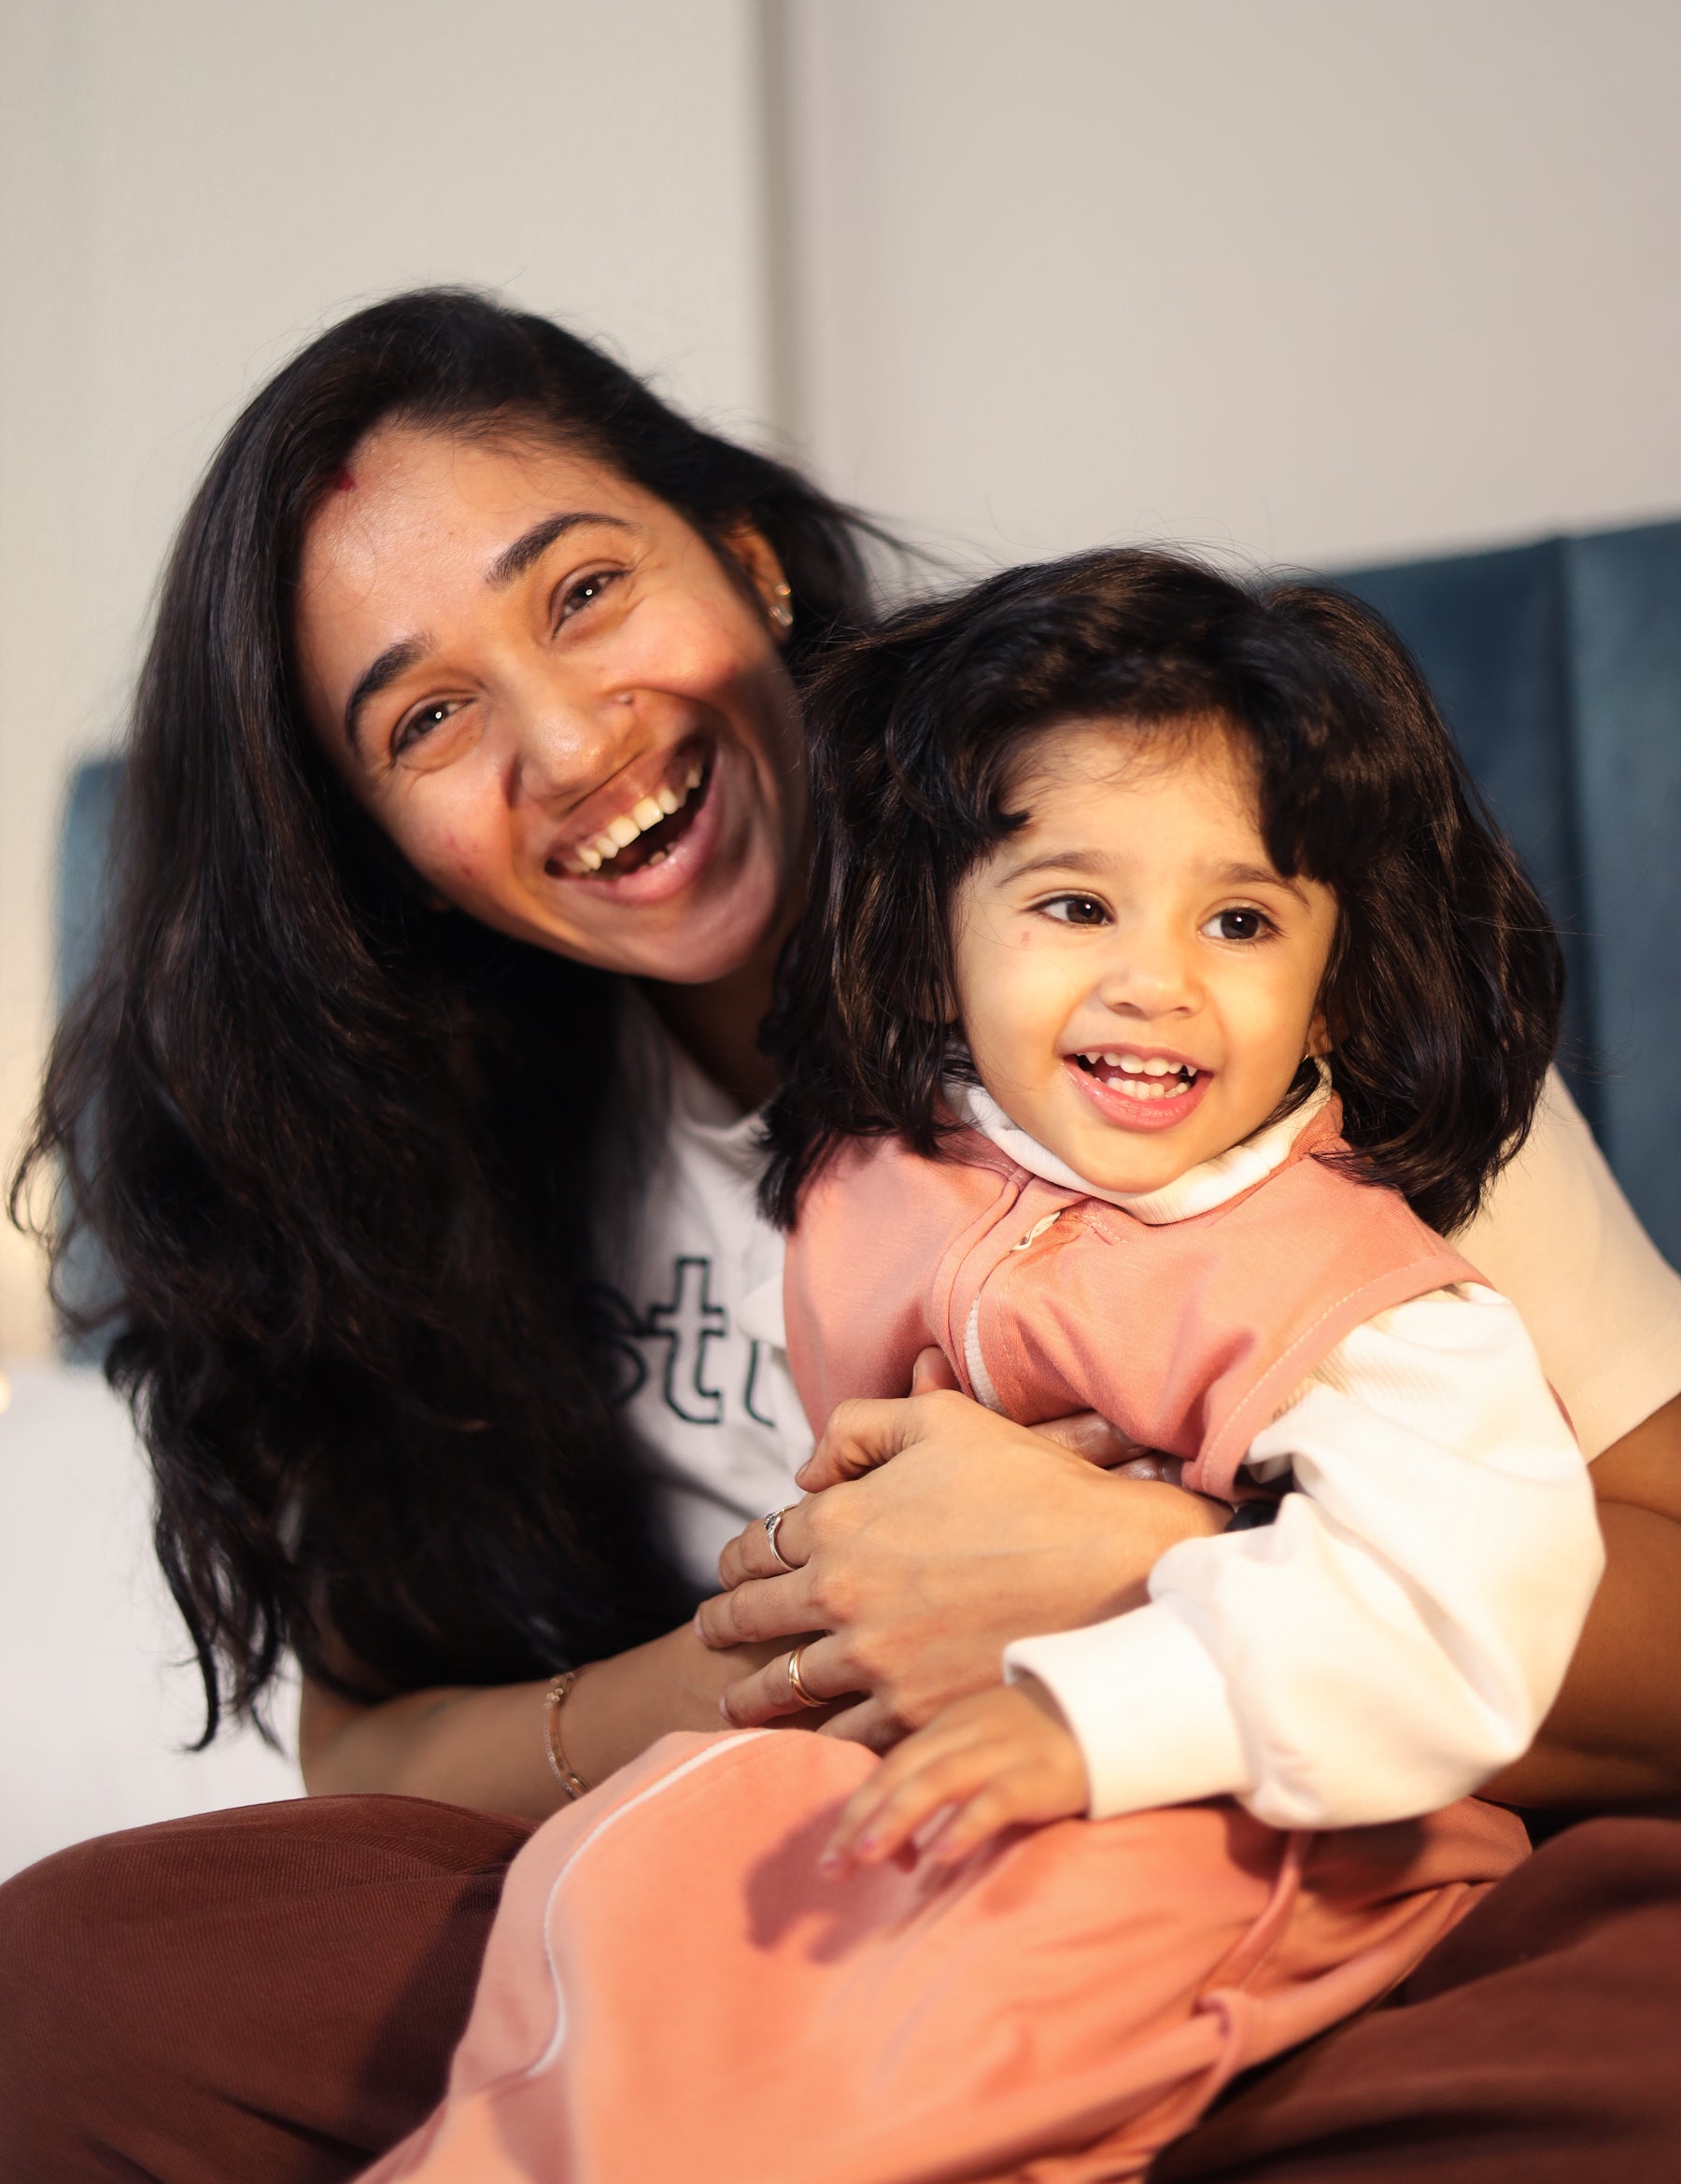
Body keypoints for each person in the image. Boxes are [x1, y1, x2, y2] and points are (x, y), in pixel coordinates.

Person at [2, 289, 1679, 2184]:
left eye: (579, 593)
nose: (564, 742)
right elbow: (368, 1753)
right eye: (428, 718)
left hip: (1302, 1889)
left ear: (742, 558)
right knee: (82, 1986)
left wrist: (1139, 1575)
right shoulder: (432, 1156)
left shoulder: (1207, 952)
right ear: (367, 831)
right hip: (802, 1894)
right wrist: (795, 1651)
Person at [353, 550, 1599, 2181]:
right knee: (636, 1863)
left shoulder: (1359, 1299)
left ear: (1331, 983)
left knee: (937, 2039)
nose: (1157, 976)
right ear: (940, 937)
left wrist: (1096, 1718)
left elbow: (1466, 1611)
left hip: (1239, 1817)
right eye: (1074, 905)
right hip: (924, 1776)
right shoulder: (892, 1170)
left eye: (1240, 919)